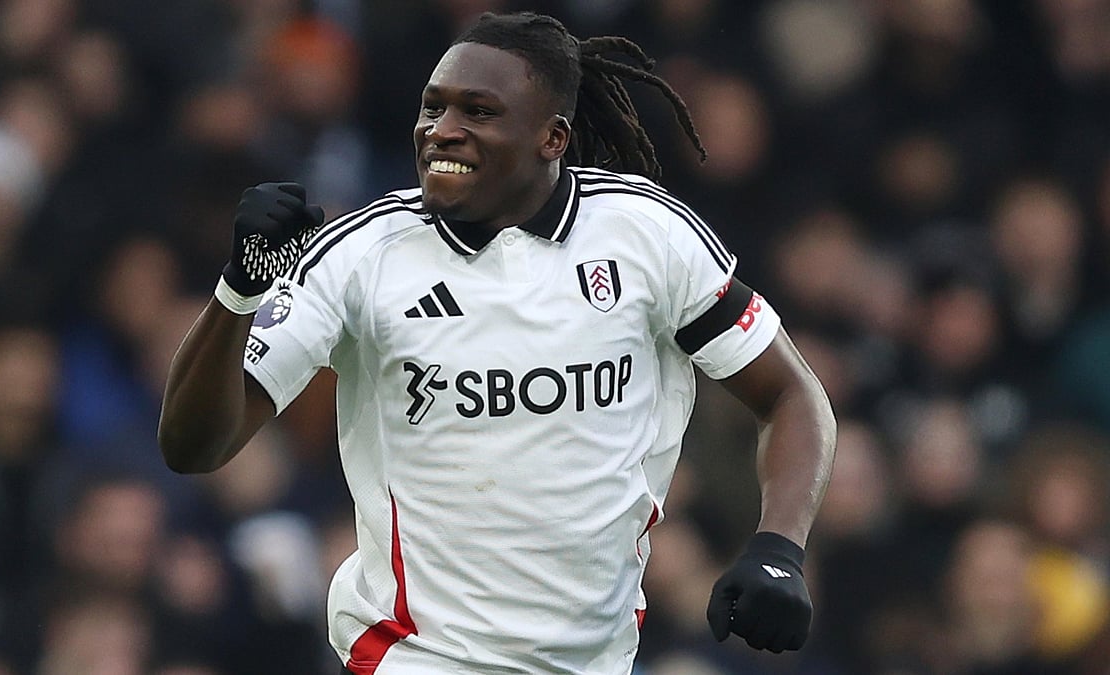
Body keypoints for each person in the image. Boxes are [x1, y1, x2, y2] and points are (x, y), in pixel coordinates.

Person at [159, 11, 836, 674]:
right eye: (433, 108)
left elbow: (790, 394)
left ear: (552, 137)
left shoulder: (646, 236)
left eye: (477, 112)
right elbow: (194, 445)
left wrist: (779, 546)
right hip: (414, 657)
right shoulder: (360, 256)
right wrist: (240, 290)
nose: (441, 131)